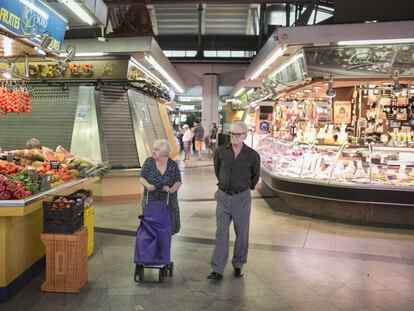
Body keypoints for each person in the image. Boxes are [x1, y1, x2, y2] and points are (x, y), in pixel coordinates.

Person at [207, 121, 261, 281]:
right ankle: (217, 269)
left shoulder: (252, 155)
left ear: (245, 135)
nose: (234, 137)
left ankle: (238, 264)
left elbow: (255, 177)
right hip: (223, 197)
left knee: (242, 233)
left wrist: (242, 187)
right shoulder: (221, 151)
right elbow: (217, 170)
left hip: (242, 198)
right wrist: (225, 184)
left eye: (237, 134)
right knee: (221, 233)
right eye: (231, 134)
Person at [139, 139, 182, 235]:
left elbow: (178, 182)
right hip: (151, 203)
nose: (153, 151)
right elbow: (142, 178)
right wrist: (148, 185)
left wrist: (171, 189)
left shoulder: (173, 165)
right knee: (151, 232)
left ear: (164, 152)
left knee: (166, 232)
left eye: (156, 149)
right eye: (153, 149)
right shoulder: (148, 162)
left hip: (168, 204)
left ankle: (164, 249)